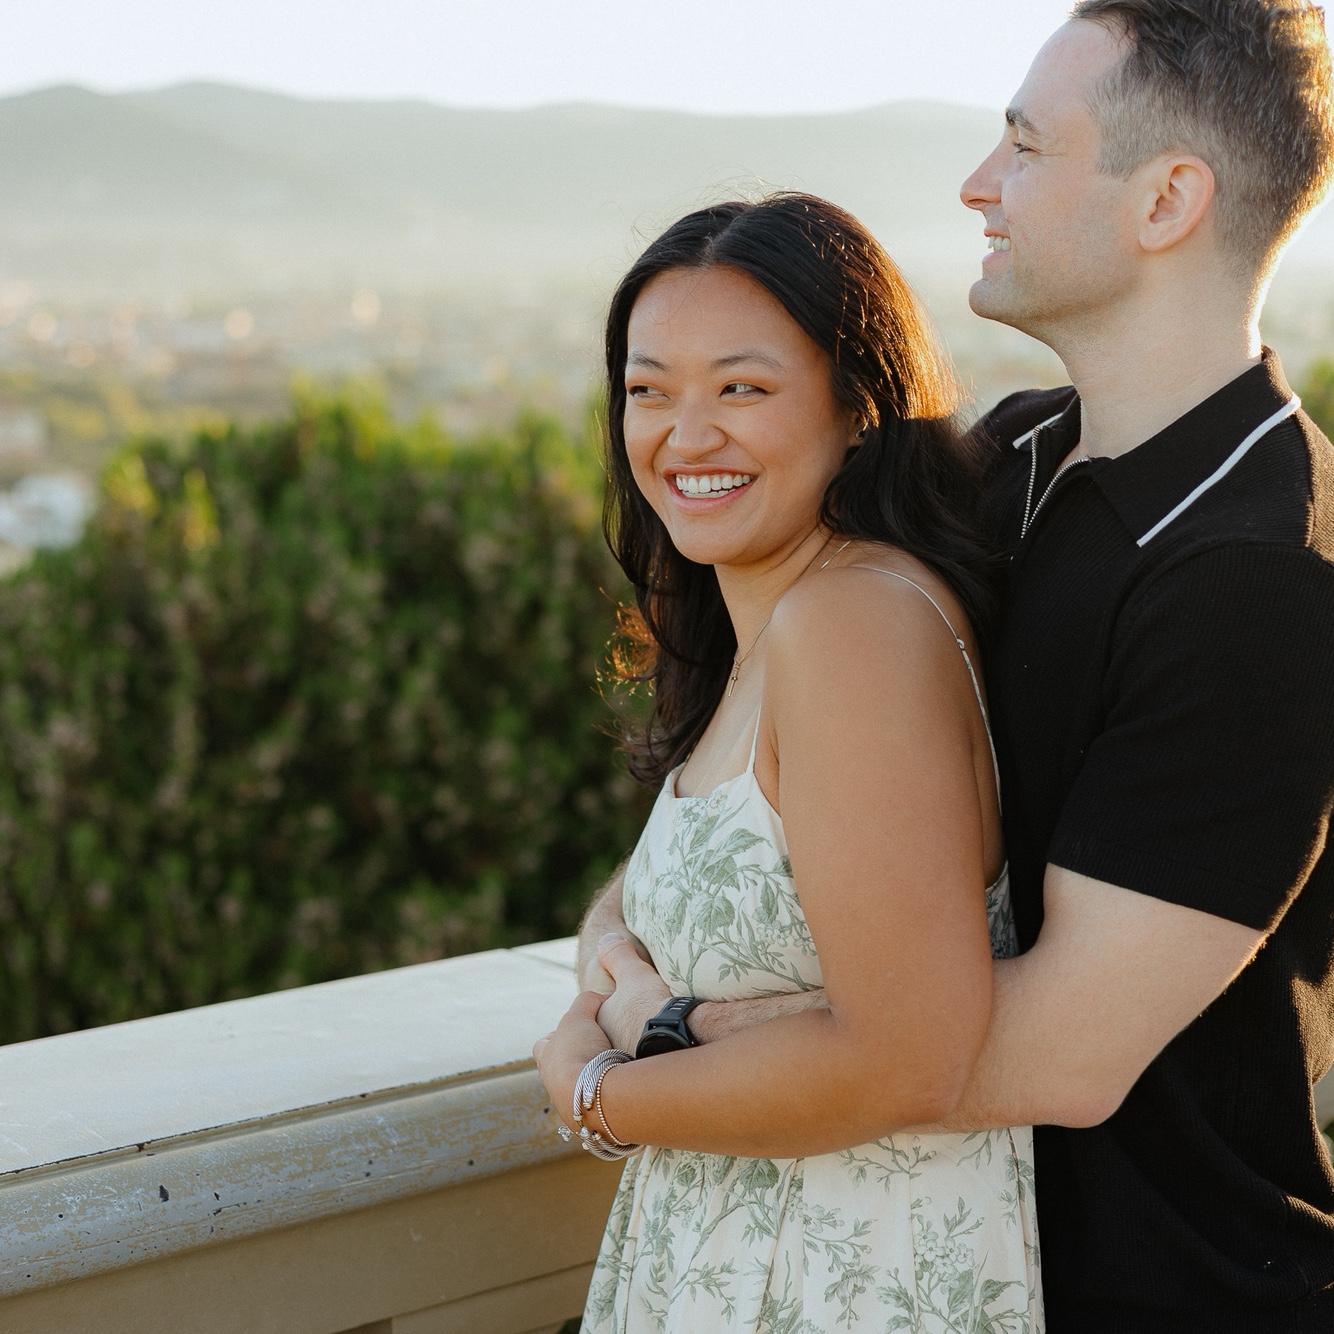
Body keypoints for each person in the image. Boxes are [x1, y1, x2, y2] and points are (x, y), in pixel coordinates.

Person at [554, 1, 1334, 1329]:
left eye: (1024, 147)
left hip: (1166, 1289)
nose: (976, 184)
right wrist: (630, 947)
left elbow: (1053, 1056)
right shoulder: (1010, 462)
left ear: (1166, 200)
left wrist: (657, 1034)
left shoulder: (1259, 576)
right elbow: (756, 810)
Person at [534, 193, 1044, 1331]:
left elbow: (907, 1058)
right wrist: (622, 968)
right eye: (648, 390)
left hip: (841, 1278)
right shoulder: (771, 628)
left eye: (741, 389)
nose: (685, 436)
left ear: (858, 407)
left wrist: (601, 1090)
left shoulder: (852, 627)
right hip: (747, 1261)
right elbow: (683, 889)